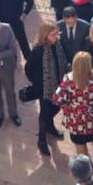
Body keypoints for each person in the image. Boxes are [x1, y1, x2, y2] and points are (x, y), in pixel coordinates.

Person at [53, 52, 93, 170]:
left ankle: (85, 168)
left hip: (76, 117)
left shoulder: (68, 79)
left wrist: (68, 107)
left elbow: (57, 98)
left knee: (80, 142)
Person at [25, 22, 68, 155]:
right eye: (53, 34)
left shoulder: (58, 45)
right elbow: (28, 68)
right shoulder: (38, 50)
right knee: (45, 112)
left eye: (56, 33)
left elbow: (63, 60)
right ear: (45, 35)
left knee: (56, 107)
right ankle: (42, 139)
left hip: (58, 84)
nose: (56, 36)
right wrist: (37, 81)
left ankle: (49, 127)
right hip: (44, 87)